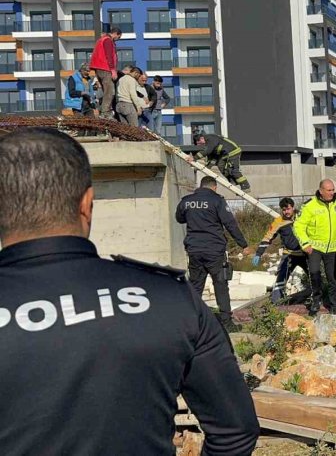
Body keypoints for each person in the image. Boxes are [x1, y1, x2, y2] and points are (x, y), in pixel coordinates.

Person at [0, 127, 259, 454]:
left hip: (196, 250)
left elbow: (180, 216)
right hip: (209, 253)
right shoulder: (170, 300)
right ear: (87, 204)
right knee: (217, 287)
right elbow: (236, 432)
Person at [175, 176, 252, 330]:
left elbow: (179, 218)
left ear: (201, 186)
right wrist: (243, 244)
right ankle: (226, 323)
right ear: (214, 187)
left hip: (194, 250)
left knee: (196, 286)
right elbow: (230, 223)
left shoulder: (186, 201)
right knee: (221, 285)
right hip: (214, 251)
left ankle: (192, 324)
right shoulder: (217, 201)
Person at [294, 179, 336, 315]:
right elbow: (298, 226)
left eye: (333, 190)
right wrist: (305, 243)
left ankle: (335, 305)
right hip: (315, 247)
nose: (332, 193)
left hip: (333, 248)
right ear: (321, 191)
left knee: (333, 277)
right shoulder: (309, 206)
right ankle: (316, 301)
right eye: (329, 190)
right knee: (314, 273)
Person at [252, 197, 309, 303]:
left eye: (288, 209)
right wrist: (258, 254)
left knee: (314, 276)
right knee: (280, 280)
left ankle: (320, 297)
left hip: (305, 254)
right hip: (289, 255)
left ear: (293, 207)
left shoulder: (302, 217)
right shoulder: (278, 222)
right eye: (283, 210)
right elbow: (267, 238)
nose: (286, 212)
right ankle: (276, 303)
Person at [89, 26, 122, 119]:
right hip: (105, 68)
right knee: (110, 91)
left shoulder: (101, 40)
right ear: (116, 34)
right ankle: (105, 112)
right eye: (118, 37)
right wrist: (113, 70)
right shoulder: (108, 40)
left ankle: (103, 110)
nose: (117, 40)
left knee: (105, 91)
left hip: (99, 68)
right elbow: (109, 55)